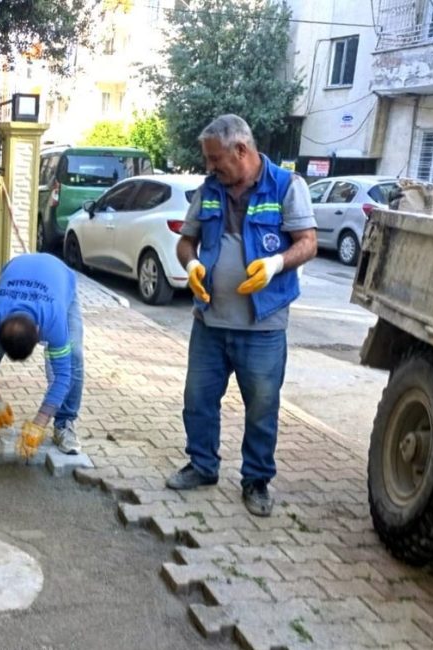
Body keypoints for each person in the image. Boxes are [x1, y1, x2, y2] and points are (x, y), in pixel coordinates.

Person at [165, 114, 317, 517]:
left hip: (262, 326)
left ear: (242, 150)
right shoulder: (210, 189)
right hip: (210, 323)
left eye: (216, 159)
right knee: (197, 399)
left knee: (262, 405)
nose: (211, 167)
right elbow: (187, 242)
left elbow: (308, 243)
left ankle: (256, 481)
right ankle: (202, 466)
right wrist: (192, 264)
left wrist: (276, 264)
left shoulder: (286, 186)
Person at [0, 253, 84, 457]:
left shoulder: (54, 320)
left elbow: (63, 376)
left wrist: (40, 422)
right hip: (16, 270)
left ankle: (64, 423)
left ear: (40, 333)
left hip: (61, 278)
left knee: (74, 355)